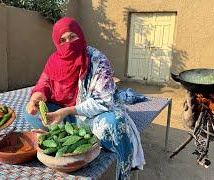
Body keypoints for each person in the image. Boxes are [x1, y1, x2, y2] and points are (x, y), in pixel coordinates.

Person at [24, 17, 145, 180]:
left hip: (90, 115)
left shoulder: (97, 60)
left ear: (80, 35)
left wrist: (67, 111)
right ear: (57, 42)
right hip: (64, 115)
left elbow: (103, 101)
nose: (68, 43)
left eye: (72, 37)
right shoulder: (54, 60)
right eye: (63, 40)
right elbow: (43, 84)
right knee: (28, 113)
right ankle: (78, 133)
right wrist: (35, 100)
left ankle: (80, 134)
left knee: (117, 124)